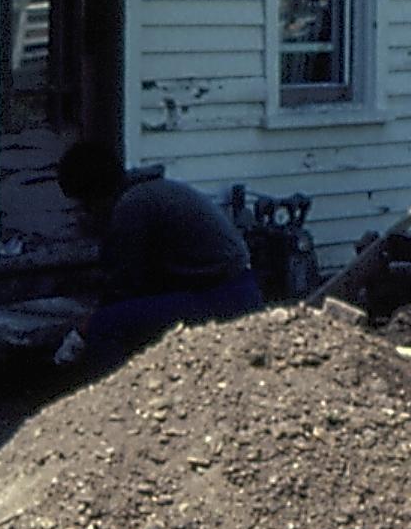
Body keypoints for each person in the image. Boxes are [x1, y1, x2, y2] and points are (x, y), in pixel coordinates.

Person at [53, 136, 263, 368]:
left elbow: (122, 287)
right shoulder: (152, 192)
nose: (86, 213)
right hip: (236, 289)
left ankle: (113, 394)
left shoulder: (132, 206)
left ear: (94, 194)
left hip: (223, 297)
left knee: (106, 325)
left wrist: (84, 329)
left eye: (85, 205)